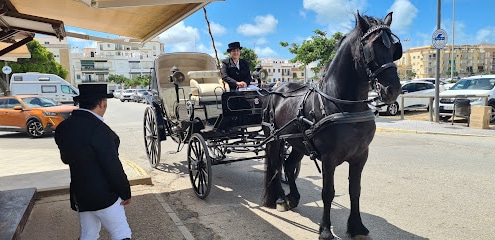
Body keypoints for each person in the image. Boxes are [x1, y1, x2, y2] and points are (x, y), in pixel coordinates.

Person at [54, 84, 132, 240]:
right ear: (101, 103)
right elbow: (112, 167)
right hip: (105, 195)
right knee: (121, 233)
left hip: (81, 194)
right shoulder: (100, 130)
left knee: (89, 235)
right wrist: (125, 192)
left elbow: (65, 159)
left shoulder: (63, 127)